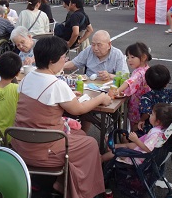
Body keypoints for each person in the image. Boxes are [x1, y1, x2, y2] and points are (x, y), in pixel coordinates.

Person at [11, 36, 111, 198]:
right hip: (43, 150)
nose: (65, 60)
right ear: (52, 60)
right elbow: (79, 109)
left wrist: (68, 95)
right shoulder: (56, 84)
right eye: (64, 57)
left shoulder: (27, 78)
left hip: (21, 144)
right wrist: (100, 98)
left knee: (78, 134)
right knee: (91, 144)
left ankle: (60, 183)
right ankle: (85, 191)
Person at [101, 103, 172, 163]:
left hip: (139, 158)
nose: (150, 115)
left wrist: (136, 140)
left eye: (152, 114)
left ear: (158, 121)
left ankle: (101, 159)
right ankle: (112, 146)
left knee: (117, 152)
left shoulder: (155, 134)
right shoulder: (161, 129)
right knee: (128, 145)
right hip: (142, 152)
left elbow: (148, 149)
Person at [64, 30, 128, 81]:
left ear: (109, 45)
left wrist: (110, 76)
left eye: (99, 45)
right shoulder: (89, 50)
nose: (95, 48)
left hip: (108, 87)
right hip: (89, 84)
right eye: (93, 44)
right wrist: (59, 67)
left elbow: (125, 77)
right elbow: (74, 63)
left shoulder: (117, 54)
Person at [115, 42, 152, 131]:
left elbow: (130, 82)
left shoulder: (139, 73)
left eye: (132, 57)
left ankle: (130, 143)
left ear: (143, 57)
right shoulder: (147, 68)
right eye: (128, 57)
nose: (129, 60)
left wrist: (118, 90)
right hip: (146, 106)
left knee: (135, 129)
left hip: (137, 107)